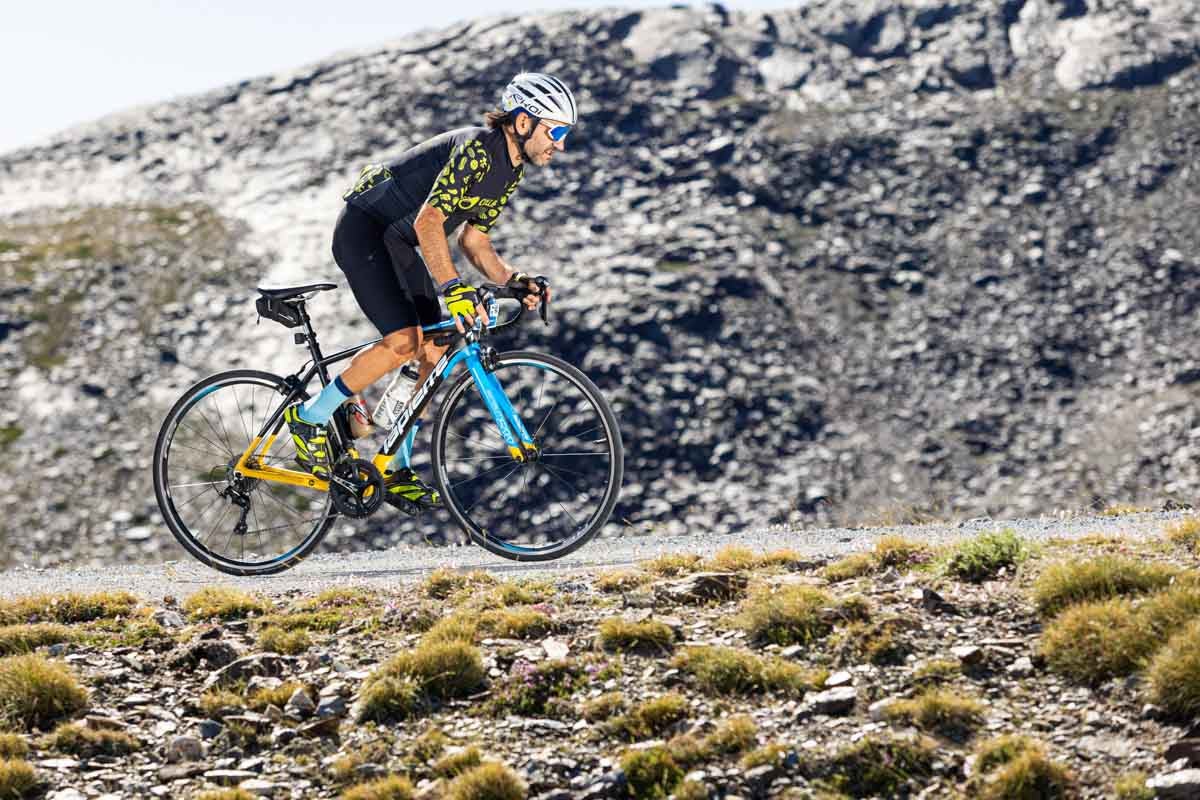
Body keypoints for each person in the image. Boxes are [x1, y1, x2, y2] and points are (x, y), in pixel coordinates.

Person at [283, 72, 577, 510]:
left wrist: (515, 280)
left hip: (398, 241)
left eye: (565, 134)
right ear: (521, 122)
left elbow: (473, 241)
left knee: (434, 349)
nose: (561, 144)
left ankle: (396, 466)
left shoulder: (509, 172)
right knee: (404, 342)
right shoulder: (477, 148)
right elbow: (429, 222)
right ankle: (309, 419)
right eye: (555, 131)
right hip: (365, 229)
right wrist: (453, 289)